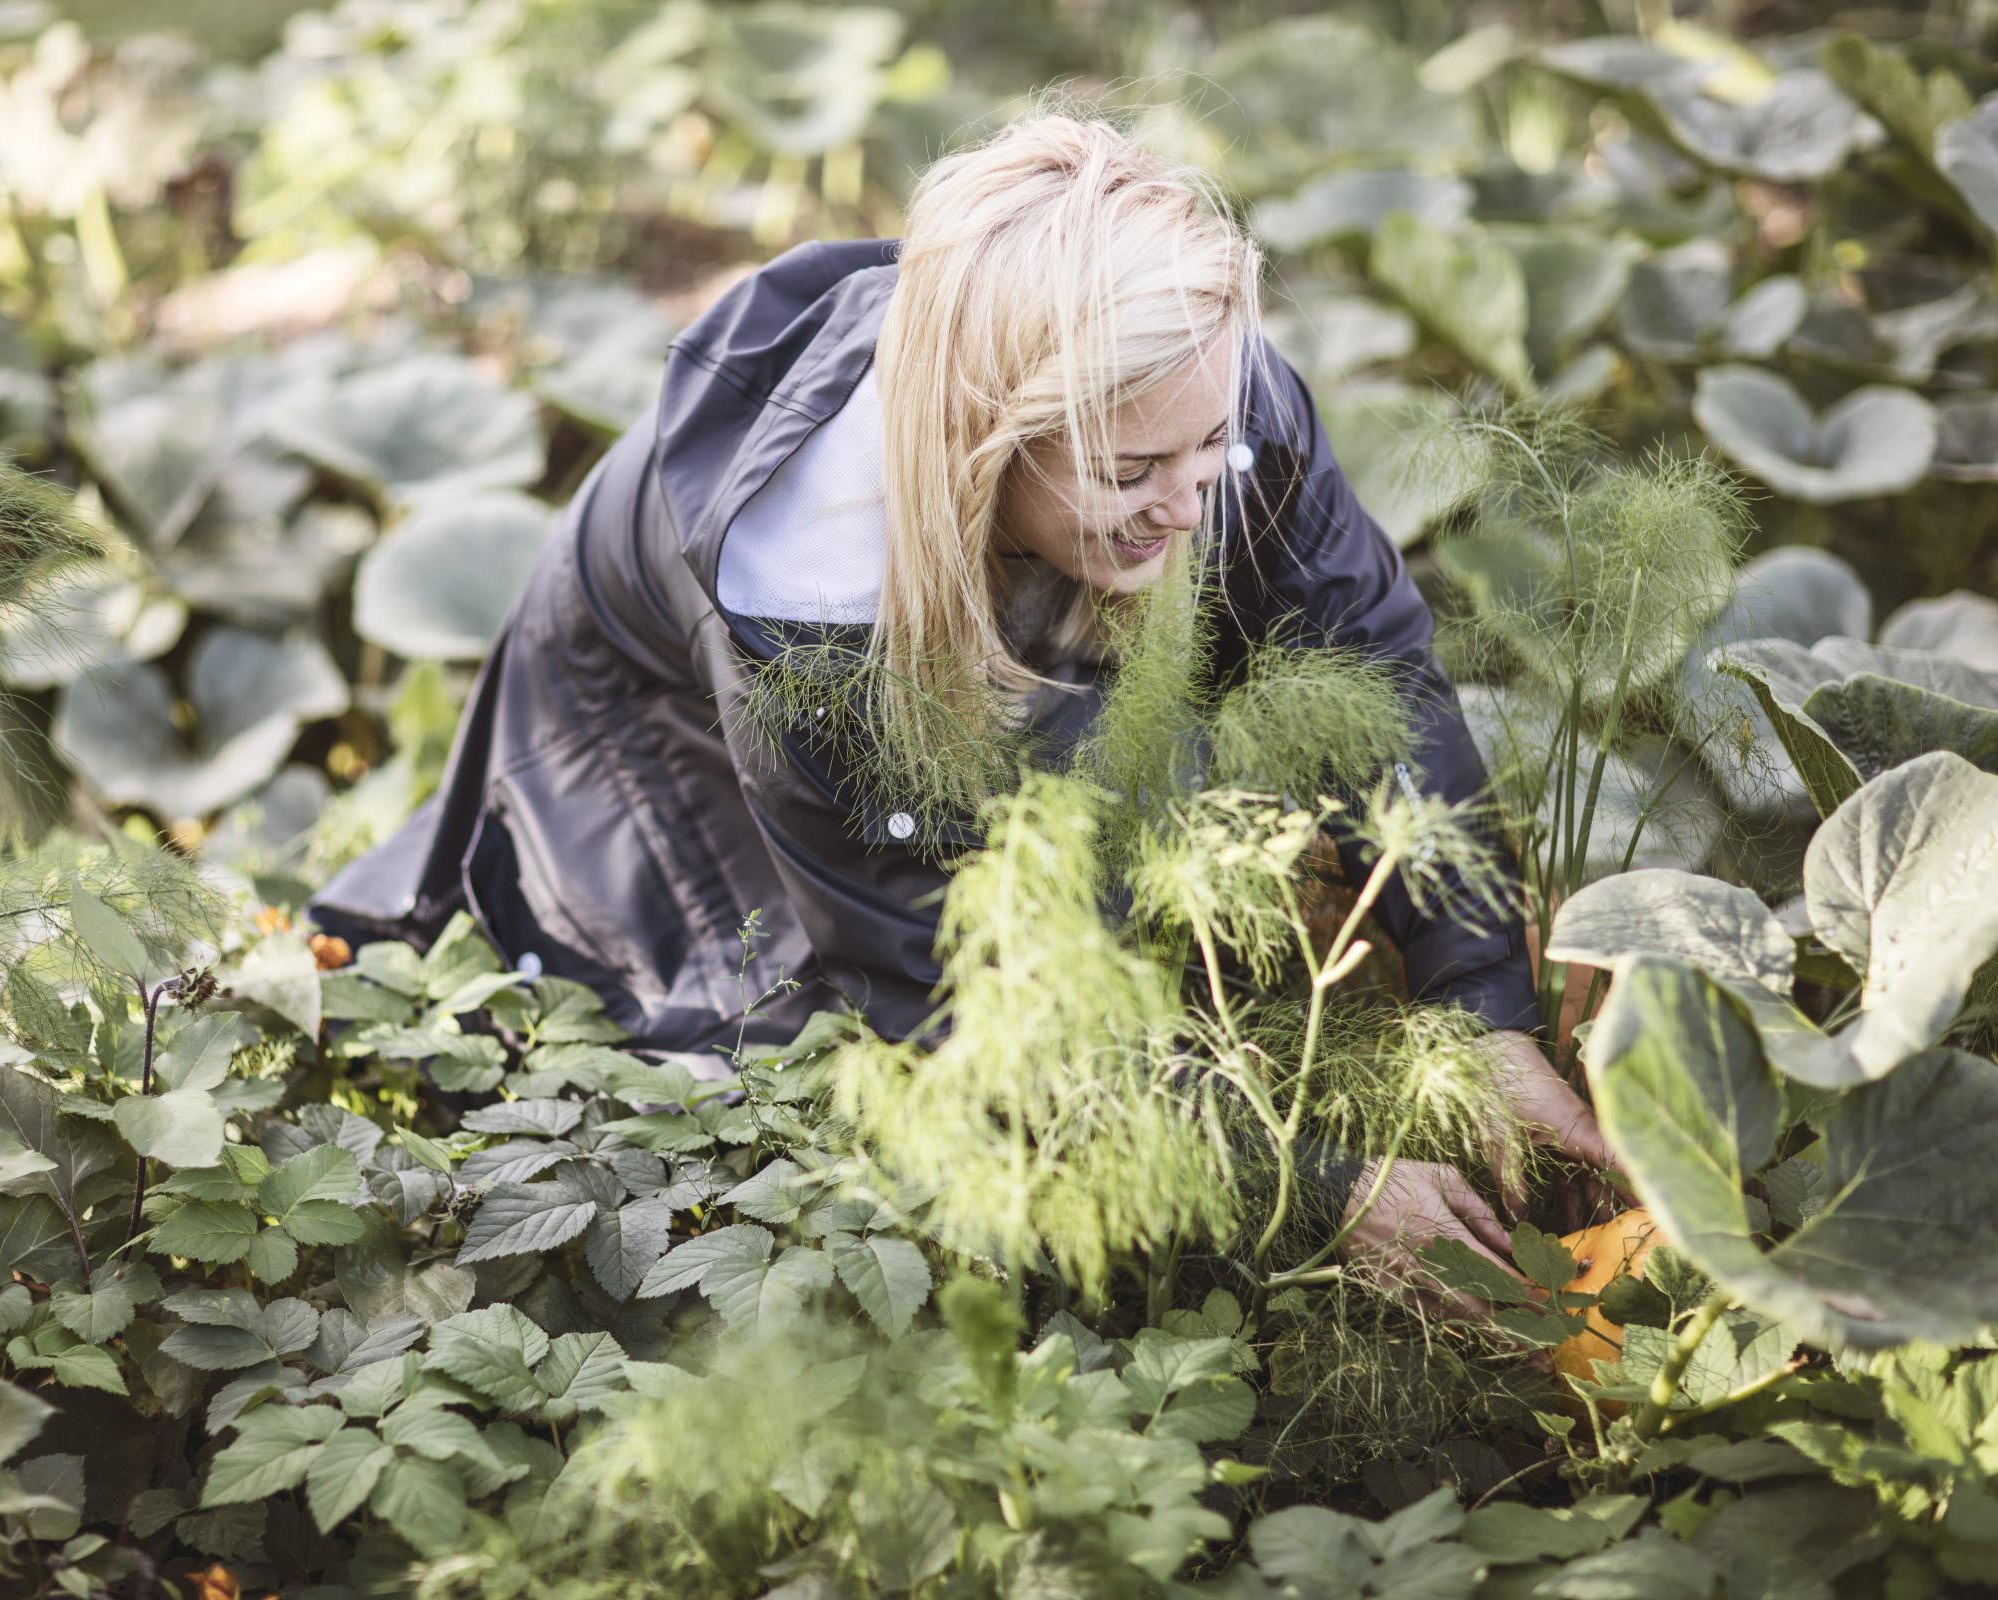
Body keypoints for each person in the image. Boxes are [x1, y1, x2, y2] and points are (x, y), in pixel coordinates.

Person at [309, 111, 1617, 1312]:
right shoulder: (804, 600)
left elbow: (1371, 669)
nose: (1188, 499)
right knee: (809, 1078)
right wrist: (1314, 1186)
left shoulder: (1189, 382)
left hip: (968, 594)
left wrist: (1482, 1007)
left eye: (1207, 447)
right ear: (987, 440)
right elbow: (955, 1001)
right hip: (659, 733)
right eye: (1132, 469)